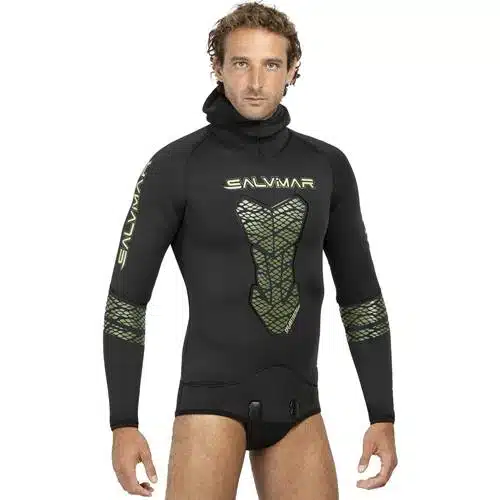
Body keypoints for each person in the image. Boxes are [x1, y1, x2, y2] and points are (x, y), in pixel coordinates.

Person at [103, 2, 398, 498]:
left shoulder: (327, 166)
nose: (256, 82)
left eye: (271, 64)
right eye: (241, 63)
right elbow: (126, 302)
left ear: (293, 70)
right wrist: (123, 422)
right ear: (217, 67)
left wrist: (382, 414)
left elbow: (361, 296)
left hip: (298, 405)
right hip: (210, 402)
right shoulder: (176, 166)